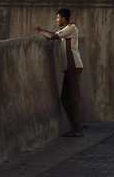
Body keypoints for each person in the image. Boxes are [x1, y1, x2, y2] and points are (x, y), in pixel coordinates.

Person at [34, 7, 85, 136]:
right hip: (70, 68)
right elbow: (55, 34)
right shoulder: (66, 30)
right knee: (66, 98)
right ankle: (76, 127)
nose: (57, 20)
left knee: (73, 99)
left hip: (73, 66)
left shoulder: (70, 29)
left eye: (58, 18)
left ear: (63, 18)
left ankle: (77, 129)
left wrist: (40, 31)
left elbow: (53, 36)